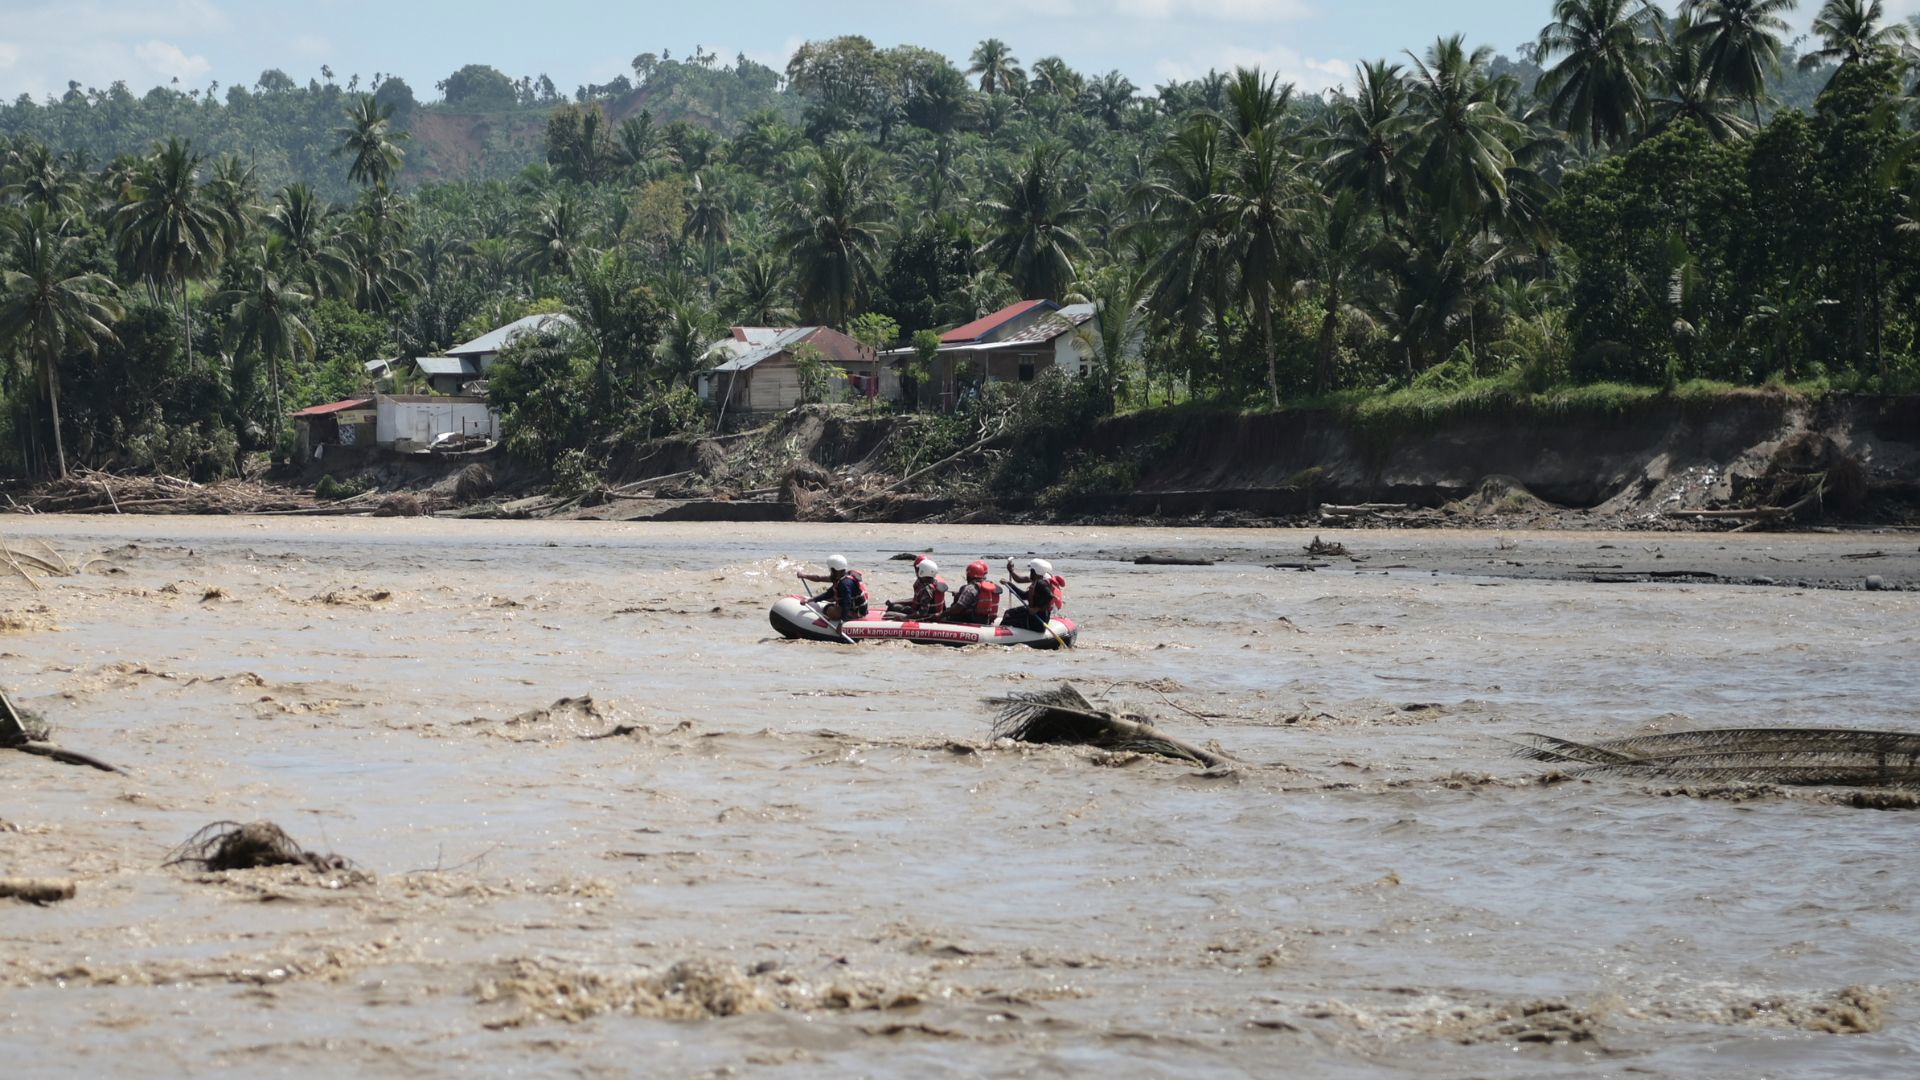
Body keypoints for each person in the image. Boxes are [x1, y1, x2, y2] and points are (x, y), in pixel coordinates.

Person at [798, 554, 869, 621]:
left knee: (829, 610)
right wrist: (810, 600)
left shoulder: (844, 584)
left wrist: (842, 622)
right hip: (860, 609)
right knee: (829, 603)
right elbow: (829, 593)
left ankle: (849, 617)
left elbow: (846, 603)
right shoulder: (844, 577)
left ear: (833, 570)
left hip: (856, 613)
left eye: (830, 570)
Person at [1003, 558, 1065, 632]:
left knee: (1007, 619)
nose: (1030, 572)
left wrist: (1036, 609)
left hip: (1037, 623)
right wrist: (1009, 584)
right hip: (1036, 617)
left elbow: (1049, 596)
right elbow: (1023, 595)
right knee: (1009, 613)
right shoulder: (1037, 582)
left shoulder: (1041, 584)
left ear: (1035, 571)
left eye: (1031, 570)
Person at [937, 560, 1001, 624]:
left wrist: (941, 615)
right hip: (983, 619)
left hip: (969, 619)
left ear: (969, 575)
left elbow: (958, 608)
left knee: (945, 615)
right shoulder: (986, 586)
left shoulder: (970, 588)